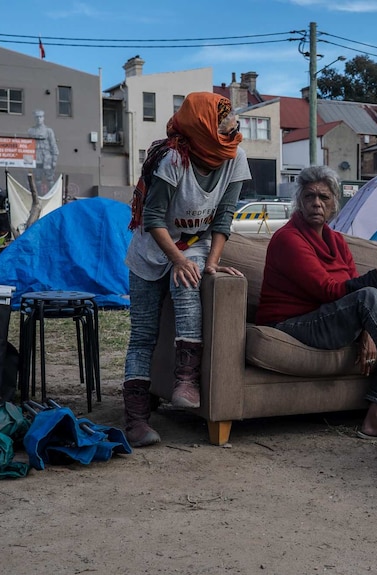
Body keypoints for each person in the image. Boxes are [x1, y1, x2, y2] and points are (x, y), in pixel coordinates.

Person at [255, 165, 377, 441]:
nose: (316, 203)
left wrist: (368, 331)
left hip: (326, 318)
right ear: (299, 202)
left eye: (324, 197)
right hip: (291, 324)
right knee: (369, 296)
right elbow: (329, 291)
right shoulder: (288, 239)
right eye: (309, 196)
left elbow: (350, 292)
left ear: (334, 204)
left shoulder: (337, 241)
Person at [122, 92, 251, 447]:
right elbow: (151, 218)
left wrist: (211, 264)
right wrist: (175, 259)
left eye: (233, 119)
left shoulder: (234, 157)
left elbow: (224, 217)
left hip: (194, 245)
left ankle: (186, 380)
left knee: (189, 280)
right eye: (225, 120)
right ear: (204, 124)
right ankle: (135, 420)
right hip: (153, 248)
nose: (234, 126)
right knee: (143, 334)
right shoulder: (173, 158)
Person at [27, 110, 59, 194]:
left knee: (50, 178)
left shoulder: (48, 131)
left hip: (47, 157)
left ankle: (52, 195)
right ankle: (38, 196)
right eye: (37, 117)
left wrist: (54, 158)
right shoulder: (31, 131)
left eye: (40, 117)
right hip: (36, 156)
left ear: (43, 118)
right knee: (37, 178)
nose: (39, 119)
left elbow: (53, 144)